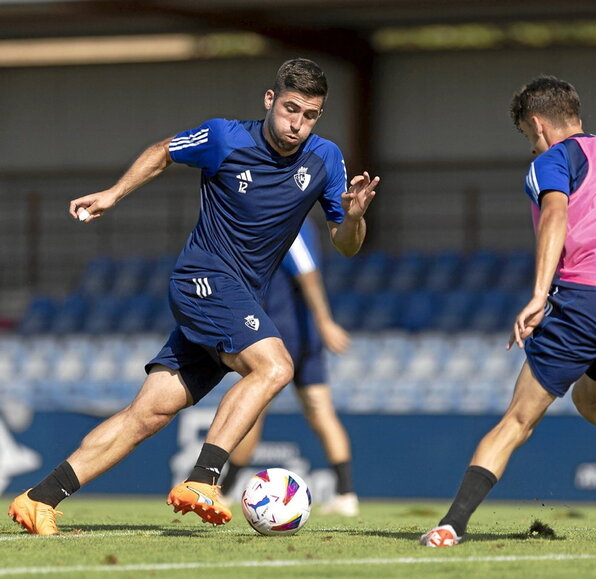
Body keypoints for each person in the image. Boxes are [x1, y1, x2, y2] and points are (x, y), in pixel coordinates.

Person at [8, 57, 379, 536]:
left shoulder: (325, 158)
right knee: (275, 366)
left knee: (148, 413)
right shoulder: (226, 137)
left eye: (310, 116)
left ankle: (39, 498)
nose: (298, 124)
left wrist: (353, 217)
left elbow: (346, 246)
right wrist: (114, 194)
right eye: (290, 110)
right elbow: (164, 151)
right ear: (270, 100)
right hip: (203, 278)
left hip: (240, 296)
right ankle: (203, 479)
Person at [420, 75, 596, 547]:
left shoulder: (555, 159)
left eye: (528, 137)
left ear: (538, 124)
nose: (532, 147)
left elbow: (556, 214)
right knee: (592, 398)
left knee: (517, 420)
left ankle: (451, 526)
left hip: (591, 295)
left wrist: (537, 295)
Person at [218, 216, 360, 516]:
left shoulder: (284, 221)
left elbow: (307, 273)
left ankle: (226, 491)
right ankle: (346, 495)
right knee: (321, 411)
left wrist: (324, 321)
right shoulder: (295, 224)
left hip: (283, 334)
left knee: (252, 410)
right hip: (306, 335)